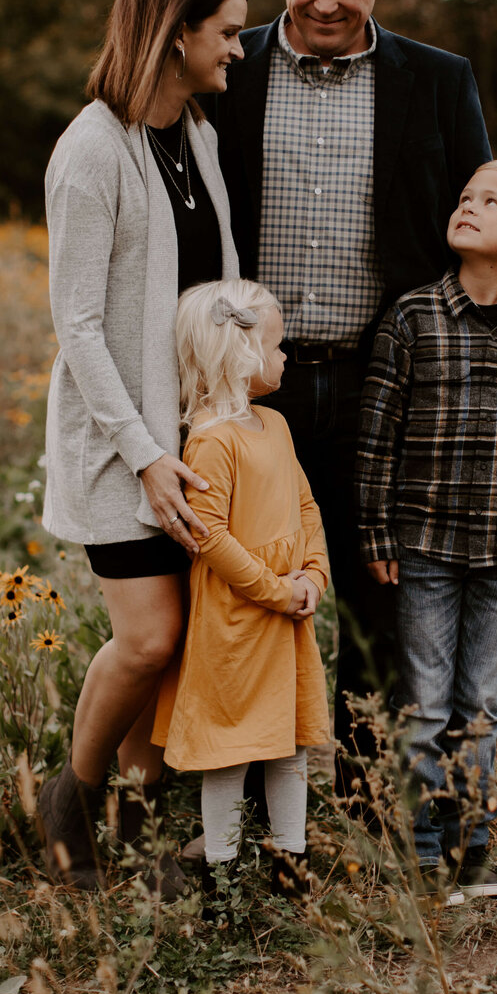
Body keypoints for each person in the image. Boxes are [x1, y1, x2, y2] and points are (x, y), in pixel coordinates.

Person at [206, 0, 491, 800]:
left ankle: (367, 797)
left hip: (382, 378)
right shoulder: (224, 69)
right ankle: (244, 799)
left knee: (380, 592)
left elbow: (476, 226)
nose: (324, 3)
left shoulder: (439, 80)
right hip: (252, 385)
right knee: (252, 593)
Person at [38, 0, 249, 889]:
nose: (240, 49)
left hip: (194, 440)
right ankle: (67, 802)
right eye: (229, 31)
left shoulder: (196, 135)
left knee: (182, 643)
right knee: (150, 639)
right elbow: (77, 326)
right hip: (119, 443)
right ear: (176, 35)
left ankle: (141, 794)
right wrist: (144, 455)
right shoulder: (91, 150)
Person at [355, 161, 497, 899]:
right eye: (464, 197)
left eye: (489, 201)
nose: (466, 206)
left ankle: (471, 845)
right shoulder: (413, 318)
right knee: (425, 702)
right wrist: (376, 532)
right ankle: (422, 846)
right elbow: (376, 438)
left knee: (481, 705)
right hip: (423, 544)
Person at [151, 278, 330, 902]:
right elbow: (208, 536)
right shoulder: (210, 439)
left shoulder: (275, 425)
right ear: (242, 352)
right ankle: (221, 878)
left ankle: (291, 864)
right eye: (278, 347)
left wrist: (312, 573)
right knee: (230, 750)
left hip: (285, 615)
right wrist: (275, 590)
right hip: (238, 618)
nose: (286, 358)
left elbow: (306, 504)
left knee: (288, 744)